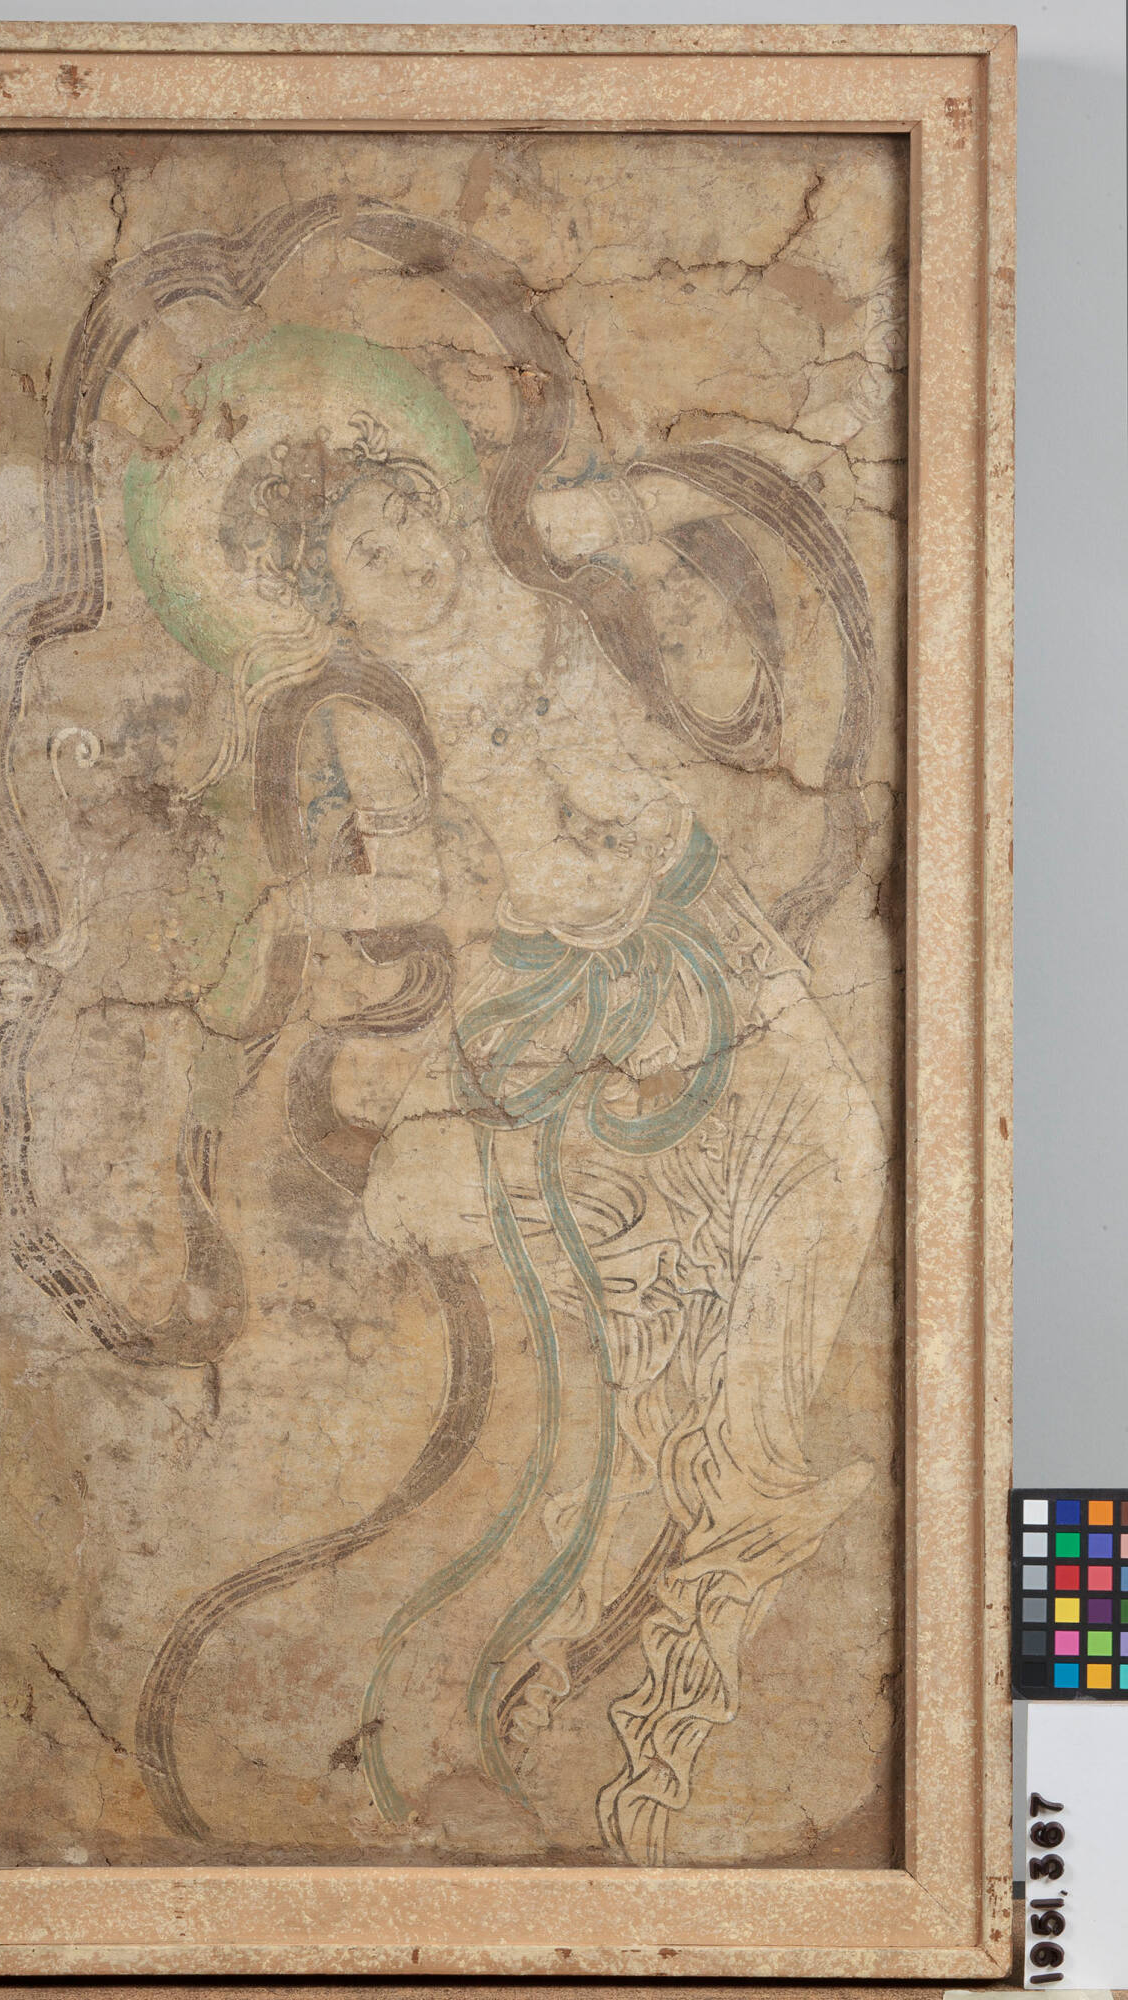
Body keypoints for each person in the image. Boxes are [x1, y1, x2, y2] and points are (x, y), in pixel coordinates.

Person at [121, 326, 887, 1863]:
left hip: (710, 941)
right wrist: (285, 918)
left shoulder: (531, 553)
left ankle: (725, 1522)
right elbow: (407, 884)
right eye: (362, 555)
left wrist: (816, 459)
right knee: (635, 1364)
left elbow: (702, 496)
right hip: (574, 1025)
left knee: (844, 1169)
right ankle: (605, 1642)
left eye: (404, 515)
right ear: (328, 601)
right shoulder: (372, 715)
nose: (404, 554)